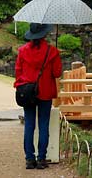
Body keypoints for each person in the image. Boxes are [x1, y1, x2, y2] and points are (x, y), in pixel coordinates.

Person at [14, 23, 63, 169]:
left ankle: (29, 159)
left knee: (29, 125)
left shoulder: (22, 51)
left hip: (28, 92)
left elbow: (18, 71)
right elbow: (57, 73)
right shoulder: (52, 51)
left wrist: (23, 83)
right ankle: (41, 158)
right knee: (43, 125)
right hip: (45, 92)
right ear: (44, 34)